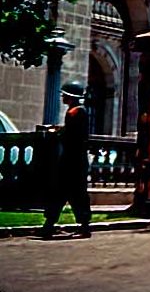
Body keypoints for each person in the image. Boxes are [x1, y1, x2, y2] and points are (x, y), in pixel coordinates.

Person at [40, 82, 92, 239]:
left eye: (65, 95)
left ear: (70, 97)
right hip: (76, 161)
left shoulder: (75, 113)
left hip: (72, 161)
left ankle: (49, 226)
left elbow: (72, 137)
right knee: (76, 195)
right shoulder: (77, 112)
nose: (62, 97)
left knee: (61, 193)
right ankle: (82, 226)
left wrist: (57, 133)